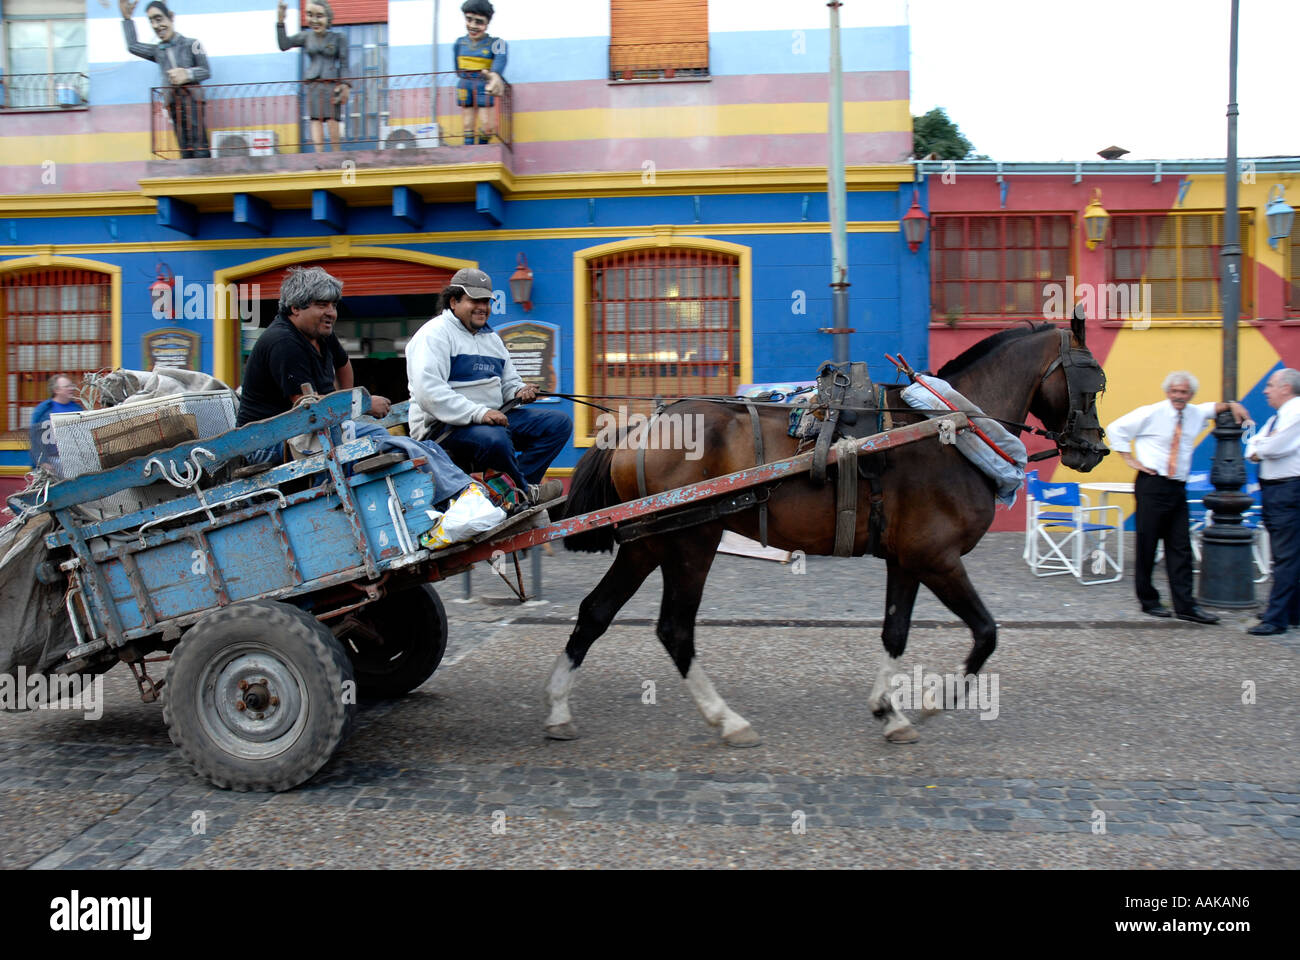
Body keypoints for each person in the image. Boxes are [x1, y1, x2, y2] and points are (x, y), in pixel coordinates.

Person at [406, 267, 570, 504]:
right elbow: (429, 393)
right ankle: (518, 494)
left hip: (492, 419)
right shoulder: (434, 335)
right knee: (495, 438)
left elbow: (507, 382)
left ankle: (513, 489)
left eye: (486, 301)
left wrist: (518, 390)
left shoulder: (491, 338)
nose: (483, 307)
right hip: (445, 428)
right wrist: (479, 413)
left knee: (558, 424)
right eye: (475, 300)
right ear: (453, 301)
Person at [1106, 371, 1250, 624]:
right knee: (1147, 545)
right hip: (1152, 484)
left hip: (1177, 487)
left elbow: (1212, 408)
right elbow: (1116, 428)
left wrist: (1232, 405)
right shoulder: (1151, 412)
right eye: (1174, 392)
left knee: (1181, 547)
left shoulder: (1195, 413)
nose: (1178, 397)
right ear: (1167, 392)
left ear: (1190, 394)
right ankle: (1149, 601)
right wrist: (1130, 459)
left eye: (1183, 392)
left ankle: (1186, 606)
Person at [1245, 368, 1300, 635]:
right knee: (1288, 554)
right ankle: (1291, 612)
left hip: (1288, 489)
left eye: (1269, 385)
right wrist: (1260, 447)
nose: (1265, 390)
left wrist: (1261, 447)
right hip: (1279, 489)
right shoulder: (1280, 417)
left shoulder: (1296, 414)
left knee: (1285, 556)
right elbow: (1253, 445)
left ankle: (1276, 618)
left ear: (1286, 388)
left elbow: (1272, 447)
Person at [120, 0, 211, 159]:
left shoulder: (192, 44)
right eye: (152, 21)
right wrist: (127, 20)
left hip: (192, 100)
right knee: (183, 144)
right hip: (173, 103)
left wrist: (187, 74)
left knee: (199, 141)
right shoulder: (158, 51)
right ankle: (188, 173)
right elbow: (133, 46)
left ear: (171, 17)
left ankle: (204, 173)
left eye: (159, 18)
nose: (156, 25)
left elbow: (206, 71)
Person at [277, 0, 351, 153]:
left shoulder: (339, 38)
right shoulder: (306, 37)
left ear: (328, 18)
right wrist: (280, 22)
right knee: (315, 118)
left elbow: (344, 63)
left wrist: (345, 85)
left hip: (332, 84)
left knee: (332, 119)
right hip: (314, 84)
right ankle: (319, 155)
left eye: (320, 16)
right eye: (310, 15)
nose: (315, 20)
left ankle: (335, 153)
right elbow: (284, 44)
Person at [454, 0, 506, 145]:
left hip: (483, 84)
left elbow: (500, 60)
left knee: (487, 125)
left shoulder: (497, 43)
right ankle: (469, 147)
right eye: (469, 19)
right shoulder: (459, 43)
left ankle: (483, 146)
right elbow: (457, 67)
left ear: (487, 23)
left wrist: (494, 75)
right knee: (467, 122)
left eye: (479, 22)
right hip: (465, 82)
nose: (473, 25)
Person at [28, 374, 85, 476]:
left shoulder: (78, 409)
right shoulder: (44, 410)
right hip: (52, 462)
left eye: (71, 386)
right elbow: (36, 439)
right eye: (67, 386)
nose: (71, 388)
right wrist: (44, 462)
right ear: (56, 390)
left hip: (75, 461)